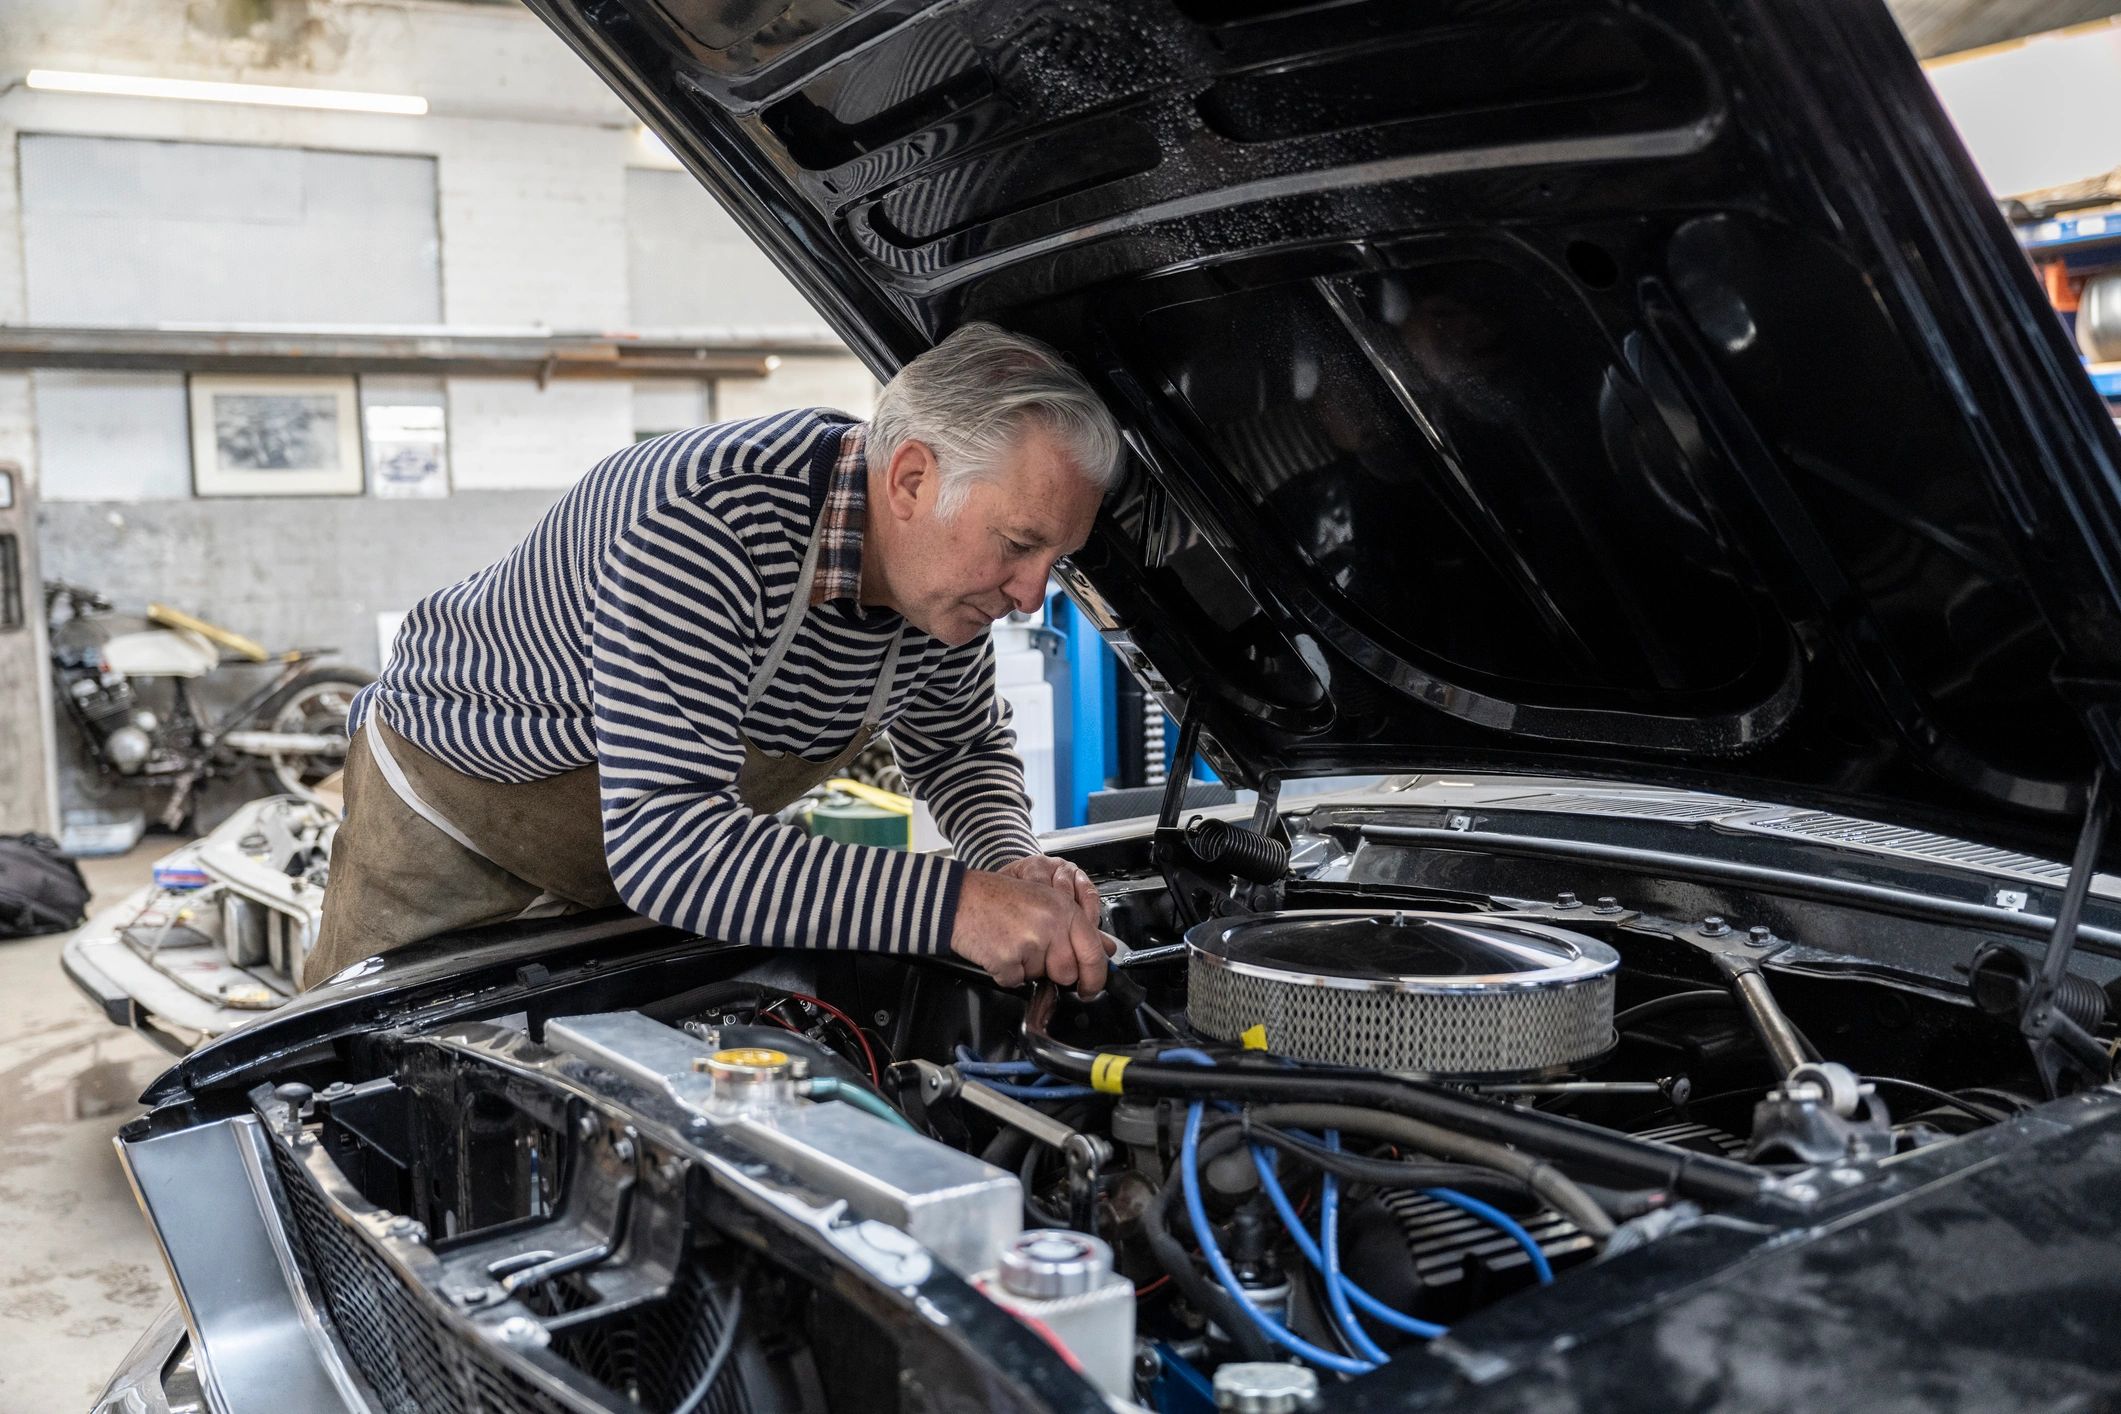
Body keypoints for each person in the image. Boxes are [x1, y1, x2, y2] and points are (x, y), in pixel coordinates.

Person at [305, 323, 1123, 999]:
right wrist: (957, 905)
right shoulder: (706, 525)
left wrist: (1008, 863)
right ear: (910, 479)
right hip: (450, 830)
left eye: (1054, 559)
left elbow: (960, 748)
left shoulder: (942, 592)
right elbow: (671, 849)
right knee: (361, 1090)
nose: (1030, 594)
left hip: (635, 861)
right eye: (1017, 544)